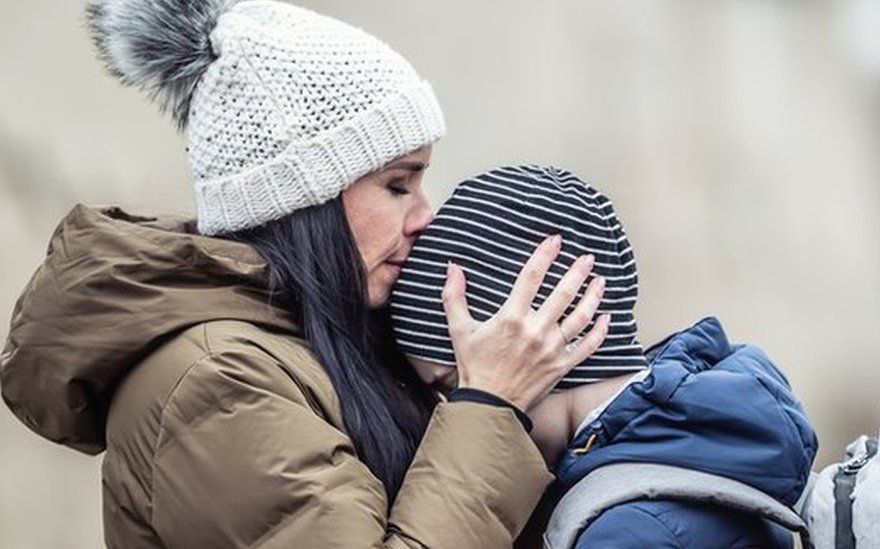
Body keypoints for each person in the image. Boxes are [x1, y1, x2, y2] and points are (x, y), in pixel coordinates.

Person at [0, 2, 609, 547]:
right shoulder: (215, 381)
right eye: (397, 184)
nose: (426, 216)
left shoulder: (316, 346)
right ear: (301, 200)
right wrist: (490, 404)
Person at [390, 164, 819, 548]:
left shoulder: (628, 530)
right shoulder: (699, 446)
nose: (446, 417)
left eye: (454, 384)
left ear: (536, 341)